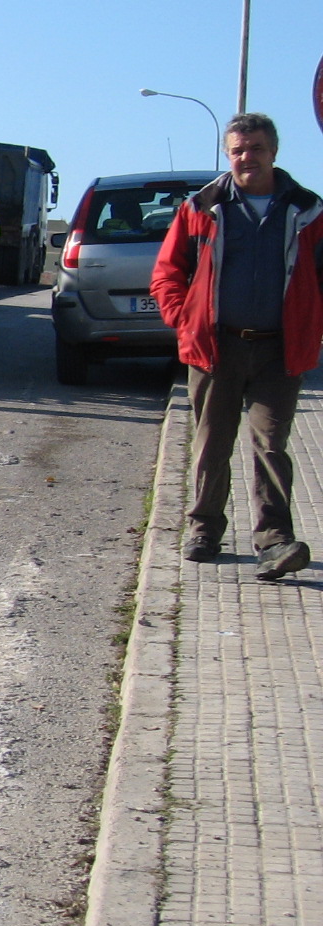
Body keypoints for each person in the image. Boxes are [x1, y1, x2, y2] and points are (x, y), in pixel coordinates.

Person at [150, 112, 323, 581]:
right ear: (228, 155)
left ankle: (275, 541)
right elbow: (167, 274)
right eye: (238, 150)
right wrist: (185, 321)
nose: (248, 157)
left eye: (257, 148)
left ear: (274, 151)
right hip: (215, 346)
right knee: (211, 442)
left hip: (279, 351)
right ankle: (204, 529)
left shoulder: (308, 210)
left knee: (271, 443)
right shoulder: (202, 208)